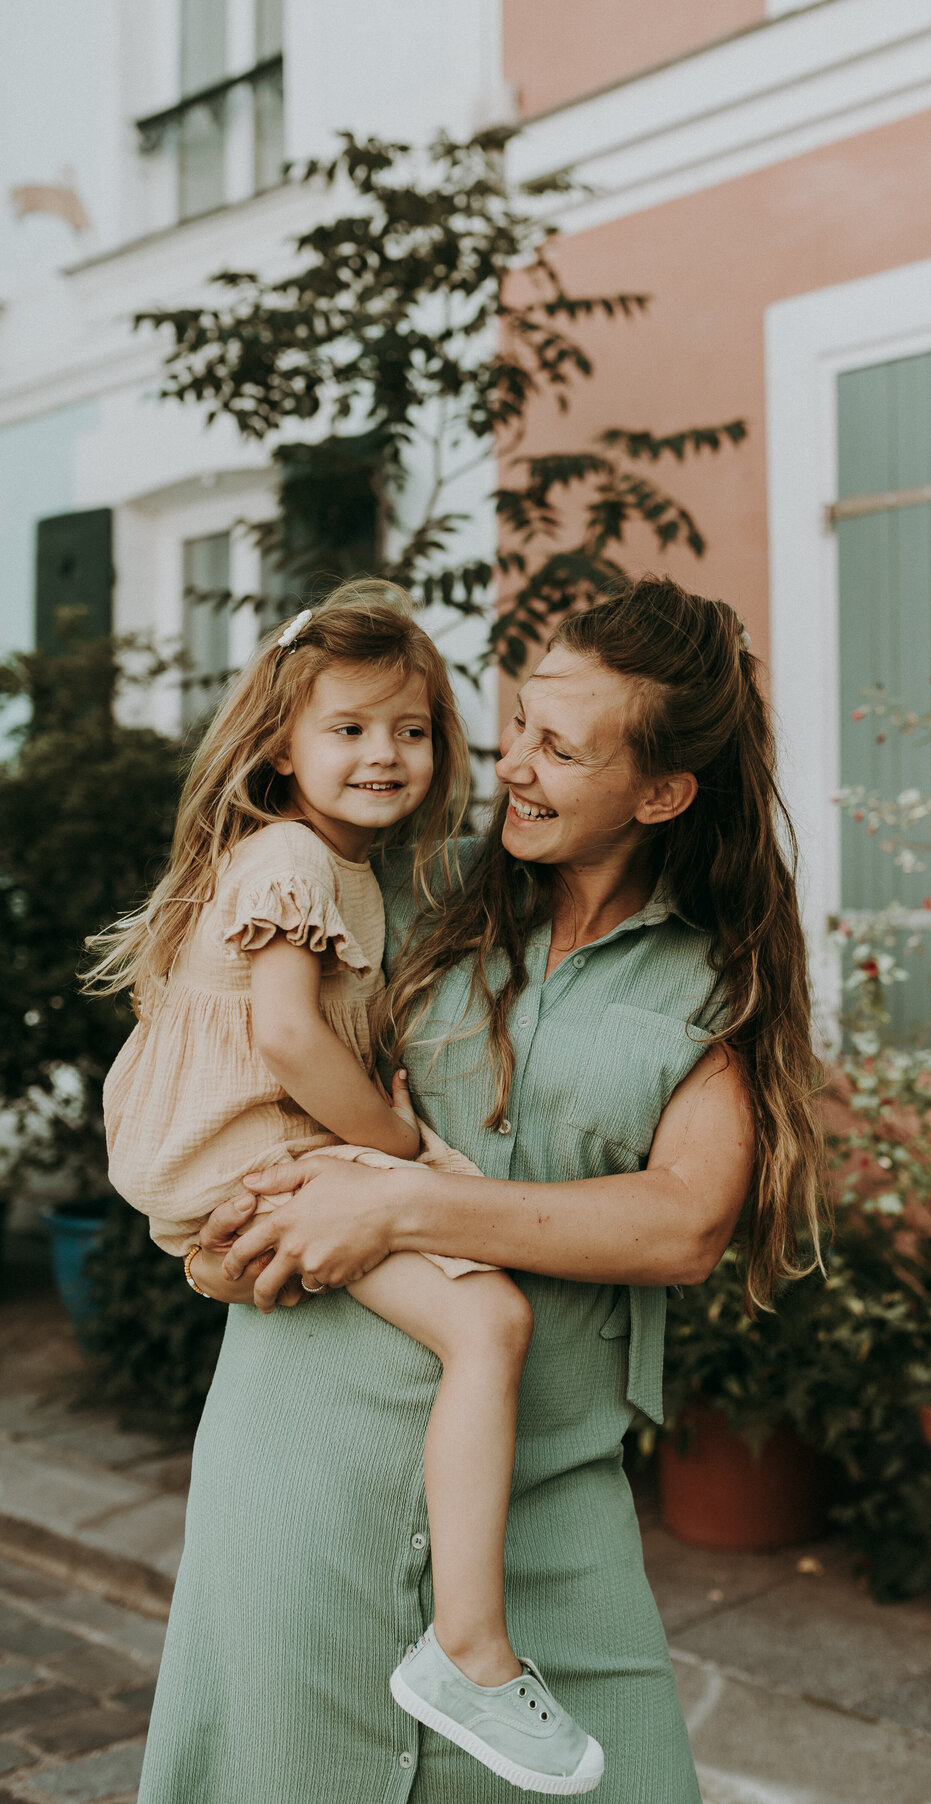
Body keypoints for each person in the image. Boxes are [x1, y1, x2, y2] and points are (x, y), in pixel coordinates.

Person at [135, 576, 826, 1804]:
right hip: (301, 1468)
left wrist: (398, 1202)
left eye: (563, 749)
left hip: (544, 1505)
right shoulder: (409, 884)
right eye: (522, 729)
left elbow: (683, 1223)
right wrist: (215, 1223)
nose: (517, 766)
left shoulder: (711, 980)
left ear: (661, 792)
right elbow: (238, 1049)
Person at [87, 584, 604, 1793]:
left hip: (252, 1150)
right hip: (252, 1147)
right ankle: (469, 1650)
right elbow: (285, 1039)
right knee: (492, 1318)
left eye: (412, 730)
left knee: (482, 1317)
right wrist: (400, 1143)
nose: (387, 753)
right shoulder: (289, 856)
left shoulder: (345, 864)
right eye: (351, 729)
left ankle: (464, 1640)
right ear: (281, 745)